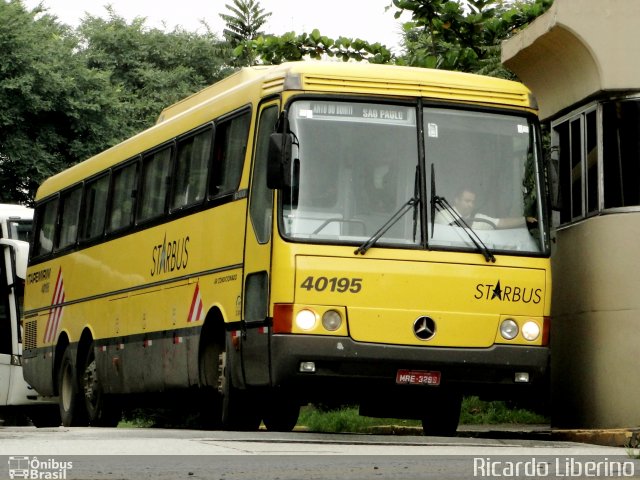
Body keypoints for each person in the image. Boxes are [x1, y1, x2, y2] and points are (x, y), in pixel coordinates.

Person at [435, 188, 537, 230]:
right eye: (467, 201)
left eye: (473, 202)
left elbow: (500, 222)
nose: (471, 205)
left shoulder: (478, 219)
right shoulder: (443, 215)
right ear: (456, 200)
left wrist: (524, 219)